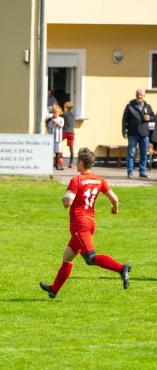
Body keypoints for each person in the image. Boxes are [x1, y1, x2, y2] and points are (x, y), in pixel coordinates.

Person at [40, 147, 131, 299]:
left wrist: (63, 200)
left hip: (79, 224)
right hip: (90, 222)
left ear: (81, 162)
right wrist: (114, 210)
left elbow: (68, 201)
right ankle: (53, 289)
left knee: (90, 258)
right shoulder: (99, 180)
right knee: (67, 257)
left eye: (77, 161)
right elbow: (114, 199)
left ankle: (121, 268)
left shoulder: (77, 180)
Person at [122, 88, 155, 179]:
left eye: (141, 94)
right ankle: (130, 172)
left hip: (144, 133)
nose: (139, 96)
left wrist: (149, 118)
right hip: (132, 133)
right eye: (138, 94)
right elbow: (124, 119)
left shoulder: (147, 106)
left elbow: (154, 117)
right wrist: (124, 131)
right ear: (136, 95)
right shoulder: (130, 106)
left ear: (144, 96)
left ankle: (142, 171)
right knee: (131, 153)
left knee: (144, 154)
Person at [47, 103, 64, 170]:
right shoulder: (50, 120)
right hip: (52, 138)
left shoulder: (61, 119)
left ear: (59, 113)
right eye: (54, 113)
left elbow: (61, 125)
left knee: (57, 152)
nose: (55, 114)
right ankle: (50, 165)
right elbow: (48, 128)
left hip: (58, 138)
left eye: (56, 113)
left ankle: (57, 165)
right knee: (51, 152)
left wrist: (56, 122)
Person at [62, 102, 76, 168]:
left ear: (65, 108)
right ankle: (71, 163)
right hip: (71, 132)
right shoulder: (73, 115)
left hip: (64, 132)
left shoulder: (64, 114)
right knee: (71, 148)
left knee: (57, 143)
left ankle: (59, 157)